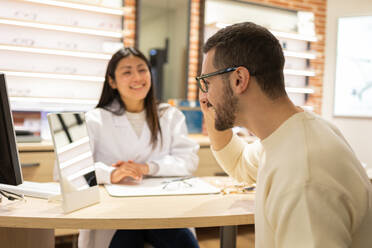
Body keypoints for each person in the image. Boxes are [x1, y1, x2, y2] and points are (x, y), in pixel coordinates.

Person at [198, 22, 372, 248]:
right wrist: (215, 117)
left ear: (239, 79)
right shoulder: (291, 134)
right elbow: (240, 163)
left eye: (207, 83)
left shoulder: (304, 173)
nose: (205, 95)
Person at [78, 47, 200, 248]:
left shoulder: (169, 115)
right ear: (112, 81)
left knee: (184, 243)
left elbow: (188, 161)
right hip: (115, 211)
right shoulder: (95, 119)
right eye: (127, 72)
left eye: (142, 70)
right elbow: (74, 171)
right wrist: (111, 174)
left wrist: (147, 168)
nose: (137, 77)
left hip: (161, 207)